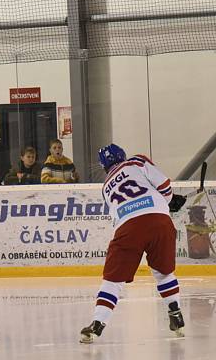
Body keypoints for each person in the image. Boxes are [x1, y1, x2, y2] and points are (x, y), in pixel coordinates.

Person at [79, 143, 187, 344]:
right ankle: (176, 314)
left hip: (127, 227)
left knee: (113, 280)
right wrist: (168, 202)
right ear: (123, 155)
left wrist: (163, 204)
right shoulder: (136, 161)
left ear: (103, 166)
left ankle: (97, 323)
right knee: (164, 273)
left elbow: (119, 212)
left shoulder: (106, 187)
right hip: (160, 221)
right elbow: (163, 185)